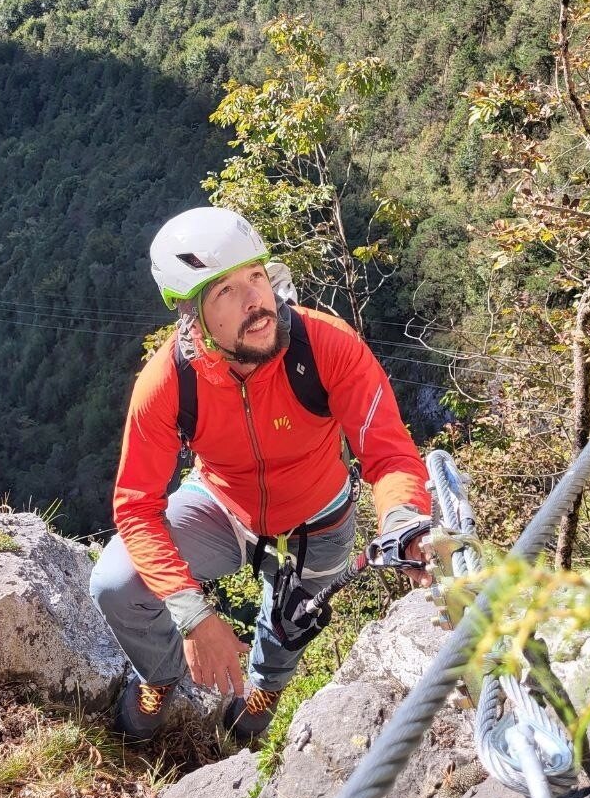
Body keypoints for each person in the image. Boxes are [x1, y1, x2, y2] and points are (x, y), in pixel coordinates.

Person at [90, 206, 432, 744]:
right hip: (222, 503)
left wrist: (405, 518)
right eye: (226, 291)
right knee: (116, 582)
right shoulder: (169, 381)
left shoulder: (325, 346)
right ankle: (158, 674)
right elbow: (136, 506)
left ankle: (263, 691)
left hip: (319, 512)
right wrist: (192, 615)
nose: (256, 302)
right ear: (193, 315)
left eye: (256, 276)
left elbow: (388, 455)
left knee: (291, 623)